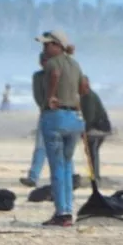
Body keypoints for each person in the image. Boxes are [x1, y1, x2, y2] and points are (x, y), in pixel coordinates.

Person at [36, 30, 88, 227]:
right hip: (74, 117)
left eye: (48, 44)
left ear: (58, 45)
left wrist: (50, 96)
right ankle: (68, 210)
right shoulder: (75, 64)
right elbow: (84, 88)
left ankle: (62, 213)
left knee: (57, 166)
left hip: (56, 118)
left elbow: (55, 75)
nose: (44, 48)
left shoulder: (52, 64)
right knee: (67, 166)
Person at [21, 48, 50, 187]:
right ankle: (33, 176)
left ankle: (71, 177)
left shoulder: (60, 74)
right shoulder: (38, 76)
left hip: (60, 113)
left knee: (59, 149)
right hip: (46, 113)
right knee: (40, 147)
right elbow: (38, 97)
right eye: (43, 60)